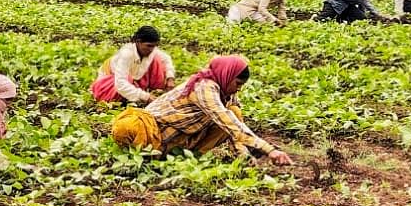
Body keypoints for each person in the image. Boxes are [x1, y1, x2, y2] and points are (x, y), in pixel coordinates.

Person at [110, 55, 292, 166]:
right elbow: (226, 122)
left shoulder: (227, 94)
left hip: (181, 140)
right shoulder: (204, 87)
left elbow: (234, 127)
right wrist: (269, 150)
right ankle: (138, 160)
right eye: (237, 83)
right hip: (155, 132)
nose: (238, 89)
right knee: (127, 127)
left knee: (234, 112)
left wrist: (245, 158)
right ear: (226, 75)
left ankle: (185, 159)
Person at [90, 26, 176, 105]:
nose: (151, 50)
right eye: (148, 46)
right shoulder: (126, 54)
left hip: (134, 78)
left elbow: (166, 59)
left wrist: (170, 78)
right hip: (109, 83)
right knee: (127, 80)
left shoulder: (151, 51)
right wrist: (145, 97)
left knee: (156, 59)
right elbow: (120, 84)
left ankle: (153, 91)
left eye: (154, 46)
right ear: (138, 42)